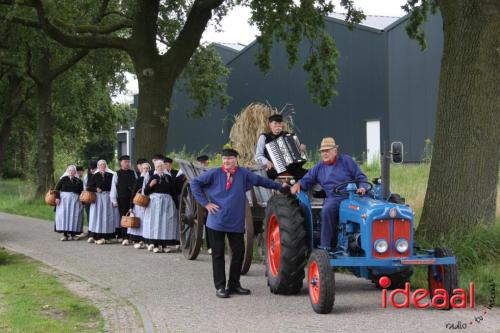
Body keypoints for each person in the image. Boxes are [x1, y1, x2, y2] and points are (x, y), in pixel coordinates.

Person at [191, 148, 289, 298]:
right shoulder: (214, 173)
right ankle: (220, 287)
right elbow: (195, 183)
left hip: (235, 222)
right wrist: (205, 204)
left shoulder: (243, 174)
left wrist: (280, 187)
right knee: (218, 254)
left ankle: (234, 284)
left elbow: (261, 181)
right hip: (216, 222)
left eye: (230, 158)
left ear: (236, 159)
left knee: (238, 253)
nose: (227, 161)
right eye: (224, 159)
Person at [291, 137, 368, 250]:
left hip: (354, 196)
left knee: (369, 210)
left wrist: (362, 188)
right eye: (322, 151)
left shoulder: (346, 161)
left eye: (327, 150)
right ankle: (325, 247)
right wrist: (298, 184)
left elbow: (361, 177)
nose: (325, 153)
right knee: (327, 210)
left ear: (335, 151)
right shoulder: (319, 167)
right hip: (335, 197)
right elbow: (306, 180)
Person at [254, 114, 308, 180]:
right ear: (270, 125)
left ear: (282, 124)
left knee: (307, 174)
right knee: (270, 175)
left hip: (291, 167)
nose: (277, 126)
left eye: (279, 123)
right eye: (275, 123)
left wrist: (301, 149)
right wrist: (267, 162)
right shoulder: (264, 137)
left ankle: (300, 189)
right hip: (274, 168)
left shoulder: (287, 135)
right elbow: (258, 156)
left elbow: (298, 154)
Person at [142, 160, 179, 253]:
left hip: (167, 203)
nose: (160, 168)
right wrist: (151, 185)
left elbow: (173, 192)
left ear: (164, 167)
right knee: (155, 223)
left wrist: (177, 204)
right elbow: (145, 191)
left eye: (162, 166)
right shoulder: (153, 177)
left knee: (165, 223)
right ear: (155, 168)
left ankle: (164, 245)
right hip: (155, 203)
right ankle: (155, 244)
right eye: (158, 166)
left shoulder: (168, 178)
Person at [86, 159, 118, 245]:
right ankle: (97, 236)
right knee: (98, 216)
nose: (102, 166)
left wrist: (114, 199)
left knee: (107, 216)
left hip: (108, 197)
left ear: (106, 165)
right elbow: (88, 187)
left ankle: (107, 236)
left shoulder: (111, 175)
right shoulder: (95, 175)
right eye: (100, 165)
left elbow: (115, 187)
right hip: (98, 198)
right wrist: (95, 189)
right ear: (98, 166)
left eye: (104, 165)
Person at [111, 155, 137, 244]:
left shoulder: (133, 173)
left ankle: (132, 236)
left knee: (133, 216)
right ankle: (124, 236)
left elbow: (137, 185)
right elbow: (114, 188)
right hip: (122, 198)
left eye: (128, 162)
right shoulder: (117, 173)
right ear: (121, 163)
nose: (127, 163)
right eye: (125, 162)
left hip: (133, 199)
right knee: (123, 217)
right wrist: (114, 200)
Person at [54, 165, 84, 241]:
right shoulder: (63, 179)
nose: (71, 172)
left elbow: (82, 192)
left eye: (73, 170)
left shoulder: (79, 181)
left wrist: (82, 200)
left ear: (75, 172)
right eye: (70, 170)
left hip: (76, 201)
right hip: (64, 201)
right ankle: (65, 234)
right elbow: (56, 189)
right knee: (65, 216)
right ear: (67, 171)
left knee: (74, 216)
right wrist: (57, 198)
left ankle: (73, 234)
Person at [128, 162, 151, 249]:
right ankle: (137, 239)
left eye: (147, 168)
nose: (146, 170)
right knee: (139, 221)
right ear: (141, 169)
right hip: (139, 204)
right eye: (144, 168)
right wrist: (131, 207)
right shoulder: (139, 180)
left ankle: (146, 239)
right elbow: (133, 193)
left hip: (148, 204)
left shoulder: (151, 179)